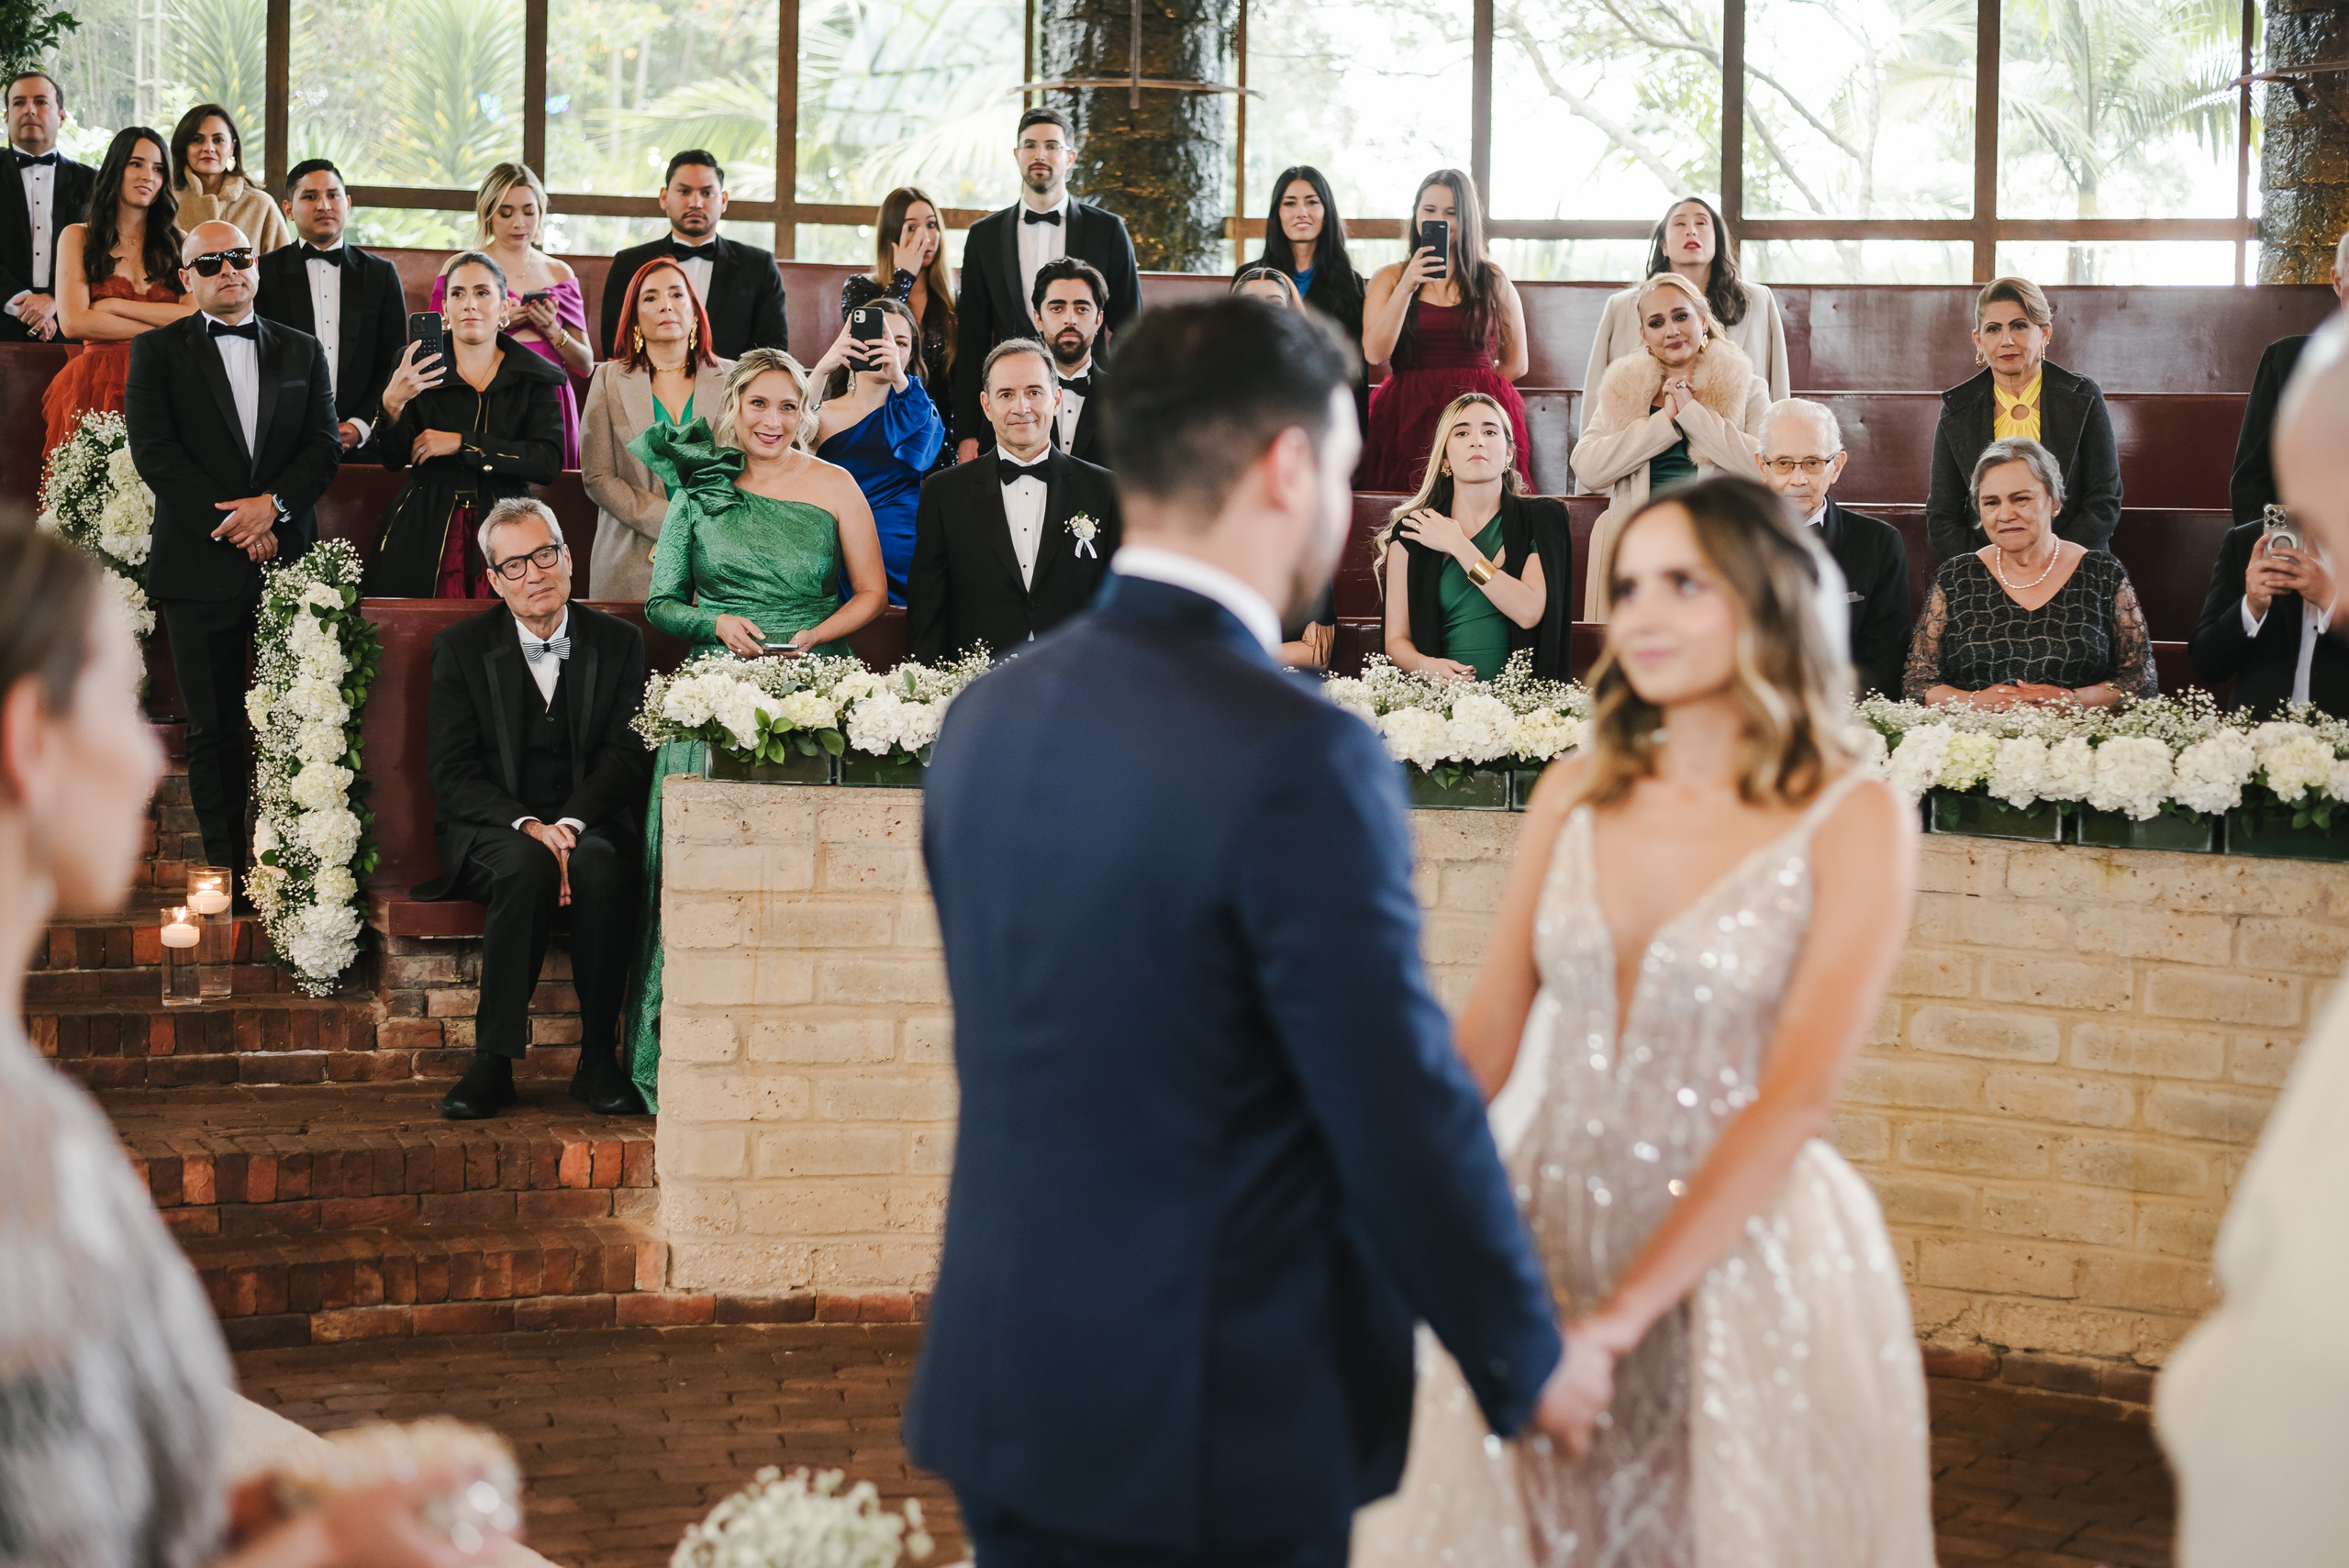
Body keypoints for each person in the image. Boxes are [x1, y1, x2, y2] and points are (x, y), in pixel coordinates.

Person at [905, 295, 1602, 1568]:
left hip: (1013, 1376)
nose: (1344, 506)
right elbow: (1392, 1100)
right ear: (1288, 467)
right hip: (1212, 1400)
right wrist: (1524, 1355)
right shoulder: (1302, 753)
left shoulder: (986, 723)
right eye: (1343, 470)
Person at [1357, 475, 1934, 1568]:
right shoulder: (1575, 787)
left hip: (1738, 1264)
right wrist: (1365, 1183)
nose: (1645, 615)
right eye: (1628, 587)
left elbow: (1794, 1097)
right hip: (1541, 1233)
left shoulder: (1853, 813)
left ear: (1768, 597)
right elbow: (1484, 1037)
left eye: (1684, 582)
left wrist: (1615, 1325)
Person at [0, 528, 518, 1568]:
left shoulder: (43, 1108)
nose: (156, 752)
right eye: (123, 699)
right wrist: (325, 1550)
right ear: (32, 738)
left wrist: (254, 1515)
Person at [2159, 310, 2349, 1568]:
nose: (2308, 545)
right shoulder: (2253, 550)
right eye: (2309, 522)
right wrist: (2259, 590)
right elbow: (2212, 663)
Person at [623, 348, 886, 1108]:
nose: (774, 420)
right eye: (759, 404)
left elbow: (870, 592)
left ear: (805, 411)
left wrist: (813, 636)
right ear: (732, 406)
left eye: (788, 405)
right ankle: (682, 1052)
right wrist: (714, 621)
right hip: (717, 689)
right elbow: (662, 601)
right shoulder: (700, 488)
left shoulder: (835, 484)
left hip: (816, 681)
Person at [416, 500, 652, 1121]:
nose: (534, 573)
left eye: (545, 554)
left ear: (568, 558)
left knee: (603, 866)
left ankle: (598, 1057)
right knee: (525, 865)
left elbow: (628, 757)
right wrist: (532, 827)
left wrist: (569, 826)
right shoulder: (461, 649)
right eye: (514, 563)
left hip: (591, 824)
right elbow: (453, 771)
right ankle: (493, 1061)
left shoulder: (621, 644)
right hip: (495, 831)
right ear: (493, 579)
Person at [124, 220, 340, 875]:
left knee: (300, 721)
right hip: (198, 565)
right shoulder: (157, 352)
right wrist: (238, 522)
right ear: (187, 278)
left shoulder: (302, 350)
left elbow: (323, 447)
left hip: (289, 562)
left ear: (256, 267)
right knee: (214, 727)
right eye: (209, 261)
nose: (228, 269)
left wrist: (270, 507)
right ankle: (227, 871)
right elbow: (156, 454)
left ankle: (299, 871)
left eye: (239, 257)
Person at [362, 250, 565, 598]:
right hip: (424, 523)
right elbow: (393, 459)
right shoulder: (415, 362)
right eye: (458, 293)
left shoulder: (536, 374)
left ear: (504, 308)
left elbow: (546, 462)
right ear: (445, 308)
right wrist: (391, 402)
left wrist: (462, 442)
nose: (469, 304)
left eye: (482, 293)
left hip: (508, 526)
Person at [907, 338, 1119, 662]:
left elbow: (1118, 598)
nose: (1022, 407)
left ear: (1057, 399)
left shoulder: (1105, 489)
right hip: (978, 682)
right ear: (986, 405)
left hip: (1080, 674)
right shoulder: (943, 493)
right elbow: (928, 607)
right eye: (1006, 395)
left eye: (1034, 392)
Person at [951, 107, 1142, 464]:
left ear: (1070, 157)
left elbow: (1132, 329)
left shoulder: (1109, 230)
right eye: (1030, 145)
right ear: (1016, 155)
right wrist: (966, 434)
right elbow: (972, 339)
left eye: (1052, 146)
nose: (1040, 154)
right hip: (1011, 410)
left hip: (1093, 411)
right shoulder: (984, 236)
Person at [1905, 437, 2154, 708]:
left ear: (2054, 502)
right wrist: (1974, 702)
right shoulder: (1956, 576)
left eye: (2020, 499)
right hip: (1976, 743)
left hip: (2078, 744)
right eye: (1991, 503)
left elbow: (2140, 682)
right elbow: (1918, 684)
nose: (2005, 514)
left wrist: (2073, 700)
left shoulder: (2102, 573)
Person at [1573, 272, 1767, 619]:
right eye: (1657, 322)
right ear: (1644, 335)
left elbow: (1764, 467)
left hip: (1717, 547)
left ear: (1704, 320)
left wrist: (1692, 414)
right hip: (1640, 551)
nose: (1671, 330)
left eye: (1681, 316)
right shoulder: (1623, 389)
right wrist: (1663, 424)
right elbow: (1587, 468)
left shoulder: (1748, 387)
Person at [1378, 391, 1571, 682]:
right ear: (1445, 457)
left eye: (1490, 431)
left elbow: (1528, 611)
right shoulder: (1414, 530)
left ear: (1508, 453)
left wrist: (1459, 546)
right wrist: (1425, 665)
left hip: (1524, 711)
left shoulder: (1543, 519)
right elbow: (1395, 640)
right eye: (1462, 432)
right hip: (1440, 705)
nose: (1476, 440)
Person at [1359, 168, 1531, 492]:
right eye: (1429, 210)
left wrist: (1477, 390)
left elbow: (1517, 363)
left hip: (1476, 413)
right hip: (1407, 414)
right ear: (1415, 215)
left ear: (1467, 218)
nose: (1439, 220)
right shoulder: (1390, 278)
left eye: (1451, 213)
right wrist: (1408, 284)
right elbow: (1375, 352)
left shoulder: (1492, 278)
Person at [1926, 276, 2121, 560]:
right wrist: (1996, 569)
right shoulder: (1958, 409)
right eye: (1993, 329)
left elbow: (2104, 501)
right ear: (1978, 340)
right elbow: (1941, 516)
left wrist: (2052, 562)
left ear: (2044, 333)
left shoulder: (2083, 396)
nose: (2006, 340)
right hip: (1985, 573)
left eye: (2019, 326)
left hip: (2074, 564)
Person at [580, 256, 732, 600]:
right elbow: (597, 477)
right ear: (634, 317)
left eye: (677, 294)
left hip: (719, 554)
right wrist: (673, 520)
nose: (666, 304)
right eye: (650, 297)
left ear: (695, 310)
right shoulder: (608, 379)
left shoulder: (735, 377)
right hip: (631, 553)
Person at [39, 126, 190, 456]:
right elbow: (75, 323)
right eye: (136, 164)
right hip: (96, 382)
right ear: (115, 168)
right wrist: (160, 329)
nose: (147, 176)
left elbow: (192, 316)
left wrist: (111, 306)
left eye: (158, 168)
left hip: (167, 380)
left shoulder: (180, 242)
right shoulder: (77, 237)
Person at [431, 162, 589, 466]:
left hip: (552, 401)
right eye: (507, 212)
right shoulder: (461, 267)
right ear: (488, 212)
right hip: (485, 397)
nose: (520, 223)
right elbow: (436, 347)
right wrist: (498, 324)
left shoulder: (559, 272)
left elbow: (584, 364)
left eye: (529, 212)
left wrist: (552, 330)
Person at [1758, 397, 1911, 697]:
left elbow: (1884, 663)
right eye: (1783, 463)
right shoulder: (1727, 542)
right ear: (1762, 467)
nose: (1798, 479)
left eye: (1813, 463)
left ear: (1837, 466)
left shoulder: (1879, 544)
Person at [254, 159, 408, 453]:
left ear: (347, 203)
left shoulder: (381, 274)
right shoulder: (264, 272)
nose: (324, 205)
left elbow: (393, 360)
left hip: (365, 440)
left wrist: (361, 424)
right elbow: (258, 358)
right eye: (310, 196)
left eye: (333, 195)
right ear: (288, 209)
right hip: (283, 441)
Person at [1581, 195, 1790, 406]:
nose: (1691, 230)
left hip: (1738, 434)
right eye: (1680, 223)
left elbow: (1779, 391)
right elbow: (1597, 397)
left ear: (1717, 240)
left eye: (1701, 223)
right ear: (1664, 246)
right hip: (1648, 432)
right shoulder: (1621, 306)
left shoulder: (1758, 300)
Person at [1231, 265, 1335, 668]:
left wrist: (1321, 606)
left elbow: (1319, 499)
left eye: (1274, 303)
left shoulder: (1312, 394)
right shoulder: (1199, 389)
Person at [809, 295, 943, 604]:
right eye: (880, 339)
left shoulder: (920, 414)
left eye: (900, 344)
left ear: (910, 355)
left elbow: (926, 452)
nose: (889, 350)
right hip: (834, 550)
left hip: (904, 549)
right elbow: (788, 444)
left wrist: (898, 377)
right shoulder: (821, 414)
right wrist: (821, 371)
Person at [600, 150, 787, 363]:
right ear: (664, 197)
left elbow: (774, 351)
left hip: (733, 392)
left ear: (724, 200)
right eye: (684, 191)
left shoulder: (758, 266)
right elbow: (615, 346)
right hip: (646, 390)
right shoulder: (629, 263)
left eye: (707, 193)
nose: (696, 203)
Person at [2228, 229, 2349, 529]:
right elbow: (2251, 480)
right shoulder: (2287, 362)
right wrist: (2285, 551)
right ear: (2337, 280)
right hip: (2301, 545)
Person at [2186, 505, 2346, 718]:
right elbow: (2208, 665)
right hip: (2258, 737)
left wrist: (2331, 600)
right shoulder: (2248, 540)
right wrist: (2250, 607)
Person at [1247, 164, 1369, 433]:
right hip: (1263, 412)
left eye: (1312, 202)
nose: (1302, 212)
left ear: (1326, 211)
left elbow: (1356, 371)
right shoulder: (1251, 277)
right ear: (1277, 213)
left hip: (1323, 414)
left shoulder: (1349, 284)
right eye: (1290, 203)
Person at [842, 184, 956, 466]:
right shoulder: (860, 289)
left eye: (931, 226)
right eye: (912, 228)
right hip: (875, 429)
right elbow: (867, 353)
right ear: (892, 235)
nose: (925, 237)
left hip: (936, 434)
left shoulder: (952, 302)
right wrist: (903, 276)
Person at [2, 70, 95, 344]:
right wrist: (22, 301)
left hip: (73, 329)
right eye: (19, 102)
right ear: (6, 115)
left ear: (62, 116)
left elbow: (103, 252)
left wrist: (55, 299)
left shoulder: (94, 182)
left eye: (41, 102)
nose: (29, 109)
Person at [167, 103, 290, 254]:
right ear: (184, 148)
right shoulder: (167, 203)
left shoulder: (261, 206)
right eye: (198, 140)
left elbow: (284, 269)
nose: (208, 148)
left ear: (232, 147)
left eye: (218, 140)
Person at [1030, 255, 1110, 465]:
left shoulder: (1126, 397)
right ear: (1038, 318)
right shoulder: (1008, 397)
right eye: (1057, 308)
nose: (1070, 319)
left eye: (1082, 309)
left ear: (1098, 319)